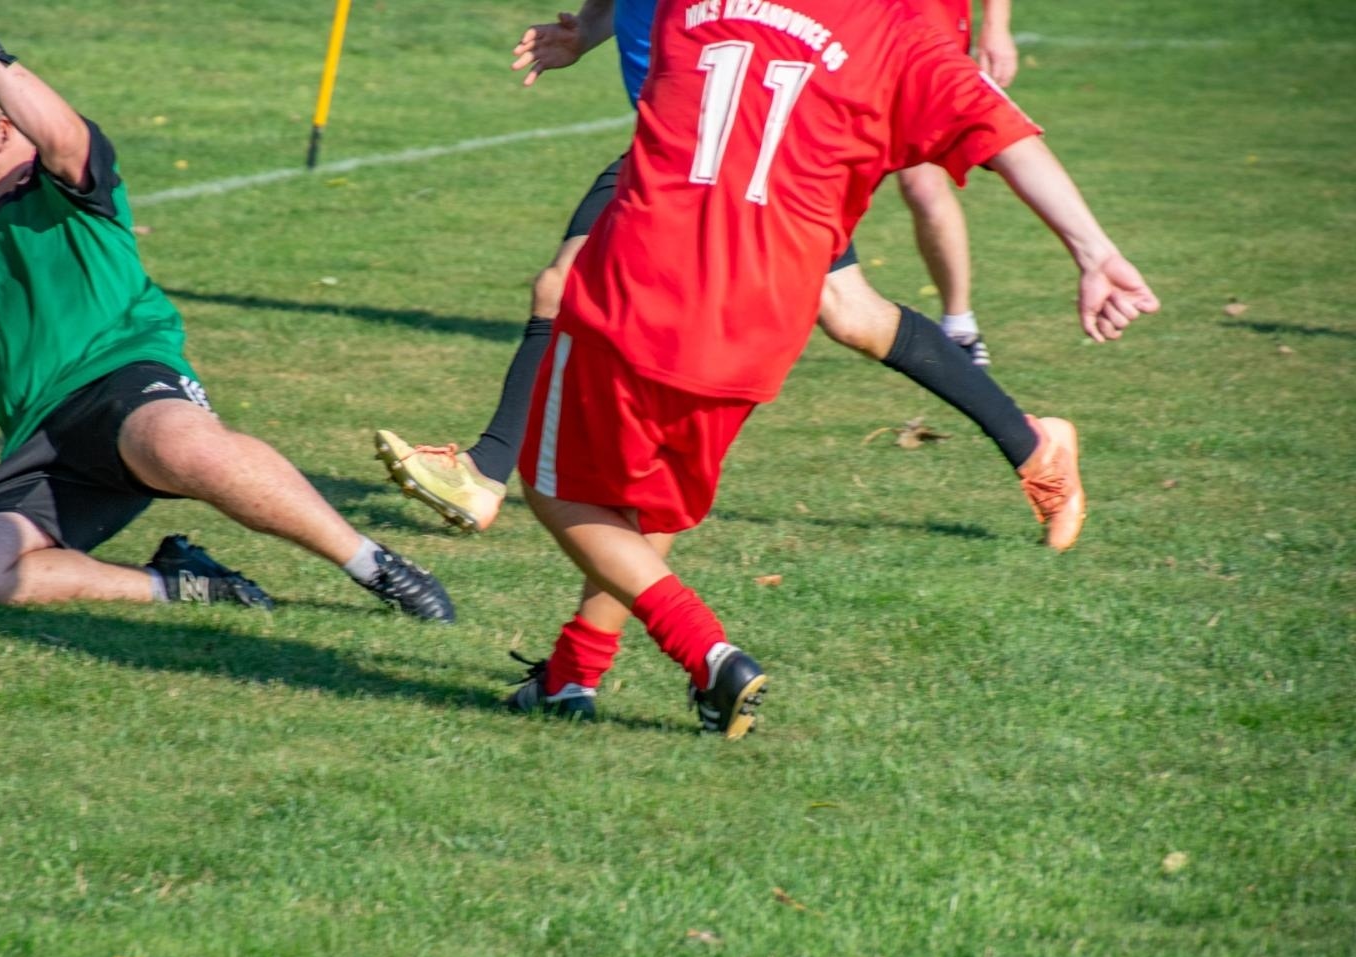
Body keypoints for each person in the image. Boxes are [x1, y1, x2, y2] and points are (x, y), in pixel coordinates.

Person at [508, 0, 1158, 735]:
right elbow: (1006, 135)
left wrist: (593, 28)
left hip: (639, 288)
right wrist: (1094, 251)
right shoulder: (899, 32)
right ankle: (573, 672)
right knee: (650, 500)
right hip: (764, 316)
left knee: (558, 491)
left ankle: (708, 651)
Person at [375, 0, 1068, 553]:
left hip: (754, 158)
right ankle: (1034, 445)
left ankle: (491, 474)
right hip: (686, 158)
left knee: (572, 287)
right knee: (850, 311)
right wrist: (586, 31)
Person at [0, 0, 453, 620]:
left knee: (185, 448)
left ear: (1, 128)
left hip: (122, 377)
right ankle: (182, 583)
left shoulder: (63, 182)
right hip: (44, 438)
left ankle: (373, 565)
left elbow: (60, 137)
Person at [889, 0, 1018, 366]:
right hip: (843, 28)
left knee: (923, 186)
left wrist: (996, 24)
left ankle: (959, 325)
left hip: (927, 26)